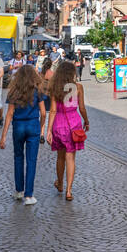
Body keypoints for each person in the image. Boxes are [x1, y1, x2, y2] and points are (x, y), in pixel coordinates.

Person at [0, 63, 48, 204]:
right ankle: (29, 195)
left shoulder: (14, 91)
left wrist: (3, 136)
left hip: (18, 126)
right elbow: (44, 113)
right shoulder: (37, 91)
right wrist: (40, 126)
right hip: (33, 125)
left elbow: (9, 114)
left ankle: (19, 191)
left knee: (18, 158)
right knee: (31, 161)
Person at [46, 61, 89, 201]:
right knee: (71, 158)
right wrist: (86, 121)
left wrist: (48, 130)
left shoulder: (55, 87)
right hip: (74, 123)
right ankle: (69, 191)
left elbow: (52, 110)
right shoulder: (78, 87)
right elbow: (82, 108)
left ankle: (60, 184)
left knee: (60, 157)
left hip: (58, 123)